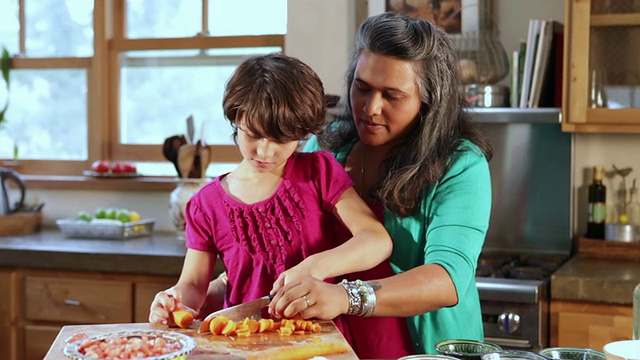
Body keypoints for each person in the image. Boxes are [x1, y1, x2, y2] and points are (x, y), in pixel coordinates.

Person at [148, 52, 414, 358]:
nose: (265, 151)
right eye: (254, 134)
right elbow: (193, 285)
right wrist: (173, 301)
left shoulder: (318, 172)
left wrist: (315, 266)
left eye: (282, 139)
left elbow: (376, 241)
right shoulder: (204, 205)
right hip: (246, 346)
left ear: (301, 135)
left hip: (324, 343)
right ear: (235, 118)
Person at [268, 11, 493, 355]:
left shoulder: (460, 163)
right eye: (362, 88)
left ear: (428, 102)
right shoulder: (322, 148)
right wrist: (212, 288)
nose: (371, 108)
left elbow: (446, 279)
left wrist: (346, 297)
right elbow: (278, 246)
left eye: (392, 95)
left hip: (428, 351)